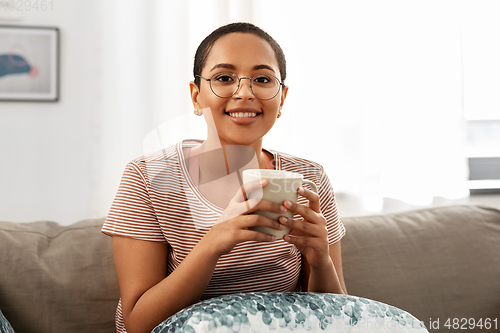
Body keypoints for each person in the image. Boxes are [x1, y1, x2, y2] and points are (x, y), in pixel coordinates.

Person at [102, 22, 347, 333]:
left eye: (262, 79)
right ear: (196, 96)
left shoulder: (309, 177)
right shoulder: (149, 177)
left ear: (281, 98)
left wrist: (320, 260)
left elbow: (340, 318)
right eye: (224, 78)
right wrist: (215, 242)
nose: (244, 92)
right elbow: (139, 324)